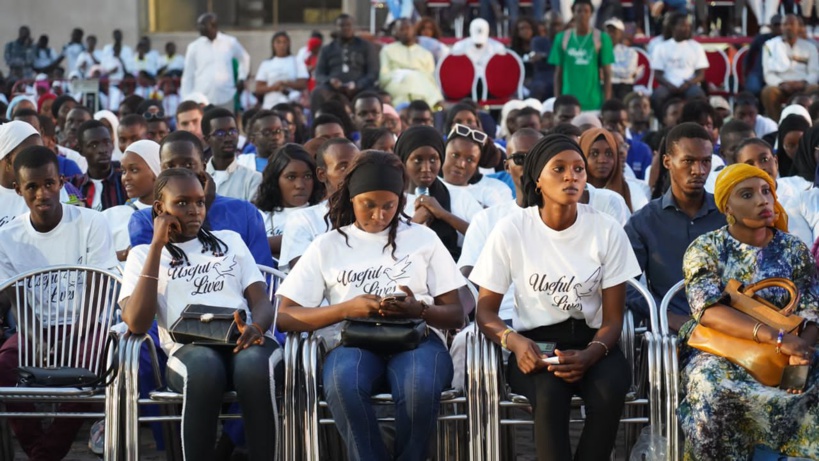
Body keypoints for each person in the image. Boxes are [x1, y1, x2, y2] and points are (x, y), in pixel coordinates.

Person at [276, 150, 465, 461]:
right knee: (344, 385)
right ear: (352, 198)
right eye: (369, 205)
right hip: (353, 340)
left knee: (419, 388)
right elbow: (284, 316)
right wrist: (346, 309)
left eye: (389, 206)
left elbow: (456, 313)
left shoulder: (422, 238)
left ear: (400, 202)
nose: (379, 215)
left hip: (416, 337)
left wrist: (418, 309)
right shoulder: (328, 244)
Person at [472, 133, 640, 461]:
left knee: (610, 390)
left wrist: (591, 354)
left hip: (595, 342)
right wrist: (515, 342)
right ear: (538, 179)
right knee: (549, 393)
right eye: (559, 169)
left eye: (579, 169)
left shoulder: (606, 230)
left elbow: (614, 318)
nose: (571, 176)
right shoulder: (512, 230)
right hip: (539, 344)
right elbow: (485, 311)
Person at [120, 168, 280, 460]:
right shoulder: (143, 255)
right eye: (182, 203)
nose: (194, 210)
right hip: (188, 349)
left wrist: (257, 326)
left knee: (254, 367)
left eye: (199, 202)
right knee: (205, 369)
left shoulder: (229, 240)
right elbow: (137, 322)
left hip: (243, 339)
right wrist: (157, 246)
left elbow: (261, 300)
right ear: (160, 209)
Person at [677, 163, 819, 460]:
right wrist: (777, 338)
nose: (762, 200)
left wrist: (801, 350)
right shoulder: (707, 248)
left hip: (790, 348)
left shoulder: (793, 249)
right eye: (747, 194)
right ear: (727, 205)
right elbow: (708, 310)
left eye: (766, 191)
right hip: (721, 351)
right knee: (710, 386)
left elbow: (812, 307)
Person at [0, 145, 118, 461]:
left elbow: (98, 286)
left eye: (49, 183)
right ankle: (38, 447)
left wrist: (77, 332)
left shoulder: (91, 222)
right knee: (5, 364)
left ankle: (45, 455)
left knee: (88, 362)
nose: (42, 193)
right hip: (35, 329)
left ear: (62, 181)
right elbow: (17, 296)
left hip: (86, 325)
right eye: (32, 187)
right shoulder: (7, 237)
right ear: (17, 189)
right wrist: (37, 337)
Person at [625, 122, 725, 329]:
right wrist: (665, 314)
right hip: (671, 330)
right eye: (688, 161)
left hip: (729, 324)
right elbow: (626, 284)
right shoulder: (644, 221)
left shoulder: (727, 215)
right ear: (667, 161)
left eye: (706, 161)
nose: (699, 170)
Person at [396, 125, 483, 260]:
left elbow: (484, 237)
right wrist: (415, 222)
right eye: (418, 159)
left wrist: (443, 214)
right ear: (403, 160)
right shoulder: (391, 201)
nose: (426, 168)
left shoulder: (459, 196)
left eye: (433, 160)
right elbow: (386, 248)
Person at [280, 138, 360, 270]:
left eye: (357, 166)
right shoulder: (302, 219)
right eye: (343, 167)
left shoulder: (376, 215)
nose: (352, 173)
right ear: (322, 174)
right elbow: (303, 273)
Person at [255, 144, 323, 259]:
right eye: (291, 177)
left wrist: (269, 245)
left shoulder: (324, 213)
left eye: (307, 176)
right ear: (275, 180)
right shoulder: (259, 216)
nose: (300, 185)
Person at [549, 0, 614, 112]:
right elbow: (558, 72)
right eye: (579, 11)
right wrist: (557, 100)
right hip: (568, 101)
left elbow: (607, 73)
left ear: (591, 13)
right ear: (573, 12)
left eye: (586, 11)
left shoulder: (602, 38)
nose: (582, 14)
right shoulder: (561, 38)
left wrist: (606, 101)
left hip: (594, 101)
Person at [102, 140, 160, 261]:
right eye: (123, 171)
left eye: (134, 170)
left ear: (156, 170)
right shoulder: (111, 216)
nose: (126, 178)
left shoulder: (176, 213)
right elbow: (94, 258)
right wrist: (125, 254)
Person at [310, 14, 380, 113]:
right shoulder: (327, 49)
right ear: (335, 28)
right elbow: (319, 74)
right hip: (333, 89)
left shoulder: (366, 46)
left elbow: (373, 73)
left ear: (354, 27)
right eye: (342, 26)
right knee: (317, 93)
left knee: (374, 95)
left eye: (349, 25)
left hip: (360, 87)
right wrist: (330, 81)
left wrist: (358, 85)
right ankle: (318, 125)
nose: (346, 28)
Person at [180, 13, 250, 110]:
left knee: (226, 123)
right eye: (199, 25)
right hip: (202, 98)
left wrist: (242, 77)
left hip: (226, 96)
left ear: (214, 26)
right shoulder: (194, 47)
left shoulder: (230, 42)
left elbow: (244, 57)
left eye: (203, 25)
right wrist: (186, 99)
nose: (199, 28)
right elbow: (188, 75)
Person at [762, 14, 819, 121]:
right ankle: (777, 124)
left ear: (798, 27)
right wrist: (782, 83)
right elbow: (768, 73)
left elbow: (814, 72)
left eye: (792, 24)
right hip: (781, 86)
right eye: (785, 24)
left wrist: (803, 82)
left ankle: (811, 123)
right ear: (781, 27)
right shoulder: (770, 46)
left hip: (803, 85)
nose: (788, 27)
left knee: (814, 89)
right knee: (768, 92)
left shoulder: (810, 47)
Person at [649, 12, 708, 115]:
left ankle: (695, 125)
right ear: (673, 27)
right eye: (682, 26)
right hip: (667, 85)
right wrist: (669, 85)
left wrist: (688, 84)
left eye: (688, 26)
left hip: (690, 84)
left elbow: (701, 74)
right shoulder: (661, 47)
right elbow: (657, 74)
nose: (686, 29)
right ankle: (664, 123)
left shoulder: (696, 47)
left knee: (698, 96)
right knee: (657, 97)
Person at [442, 124, 513, 208]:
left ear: (478, 162)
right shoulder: (428, 186)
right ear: (444, 151)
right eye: (455, 155)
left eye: (470, 160)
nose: (461, 164)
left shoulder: (497, 190)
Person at [201, 108, 262, 202]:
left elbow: (252, 215)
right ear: (207, 140)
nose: (228, 138)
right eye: (220, 133)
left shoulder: (252, 179)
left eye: (232, 132)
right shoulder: (199, 178)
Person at [379, 18, 442, 107]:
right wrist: (398, 73)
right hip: (398, 84)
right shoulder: (387, 50)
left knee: (436, 99)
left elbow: (431, 78)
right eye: (401, 29)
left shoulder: (426, 53)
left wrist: (414, 74)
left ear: (413, 30)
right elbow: (383, 78)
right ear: (396, 33)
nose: (405, 32)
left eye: (408, 28)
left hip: (422, 86)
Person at [579, 128, 645, 212]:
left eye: (609, 153)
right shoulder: (574, 192)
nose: (602, 160)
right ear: (582, 156)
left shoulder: (632, 190)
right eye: (594, 154)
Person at [69, 119, 128, 210]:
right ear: (81, 150)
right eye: (94, 145)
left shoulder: (125, 181)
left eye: (107, 142)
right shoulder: (73, 185)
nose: (103, 150)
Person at [600, 99, 653, 180]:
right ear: (602, 121)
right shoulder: (597, 151)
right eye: (612, 123)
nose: (618, 127)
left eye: (622, 122)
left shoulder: (642, 150)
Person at [255, 32, 309, 110]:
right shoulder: (266, 63)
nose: (282, 45)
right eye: (278, 42)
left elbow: (303, 84)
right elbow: (258, 88)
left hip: (291, 105)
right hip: (270, 105)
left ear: (289, 44)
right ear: (273, 44)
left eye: (284, 42)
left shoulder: (297, 61)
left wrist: (286, 83)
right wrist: (274, 87)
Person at [744, 14, 783, 96]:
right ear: (770, 26)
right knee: (753, 88)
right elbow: (749, 56)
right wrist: (745, 74)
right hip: (759, 72)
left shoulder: (788, 40)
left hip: (777, 72)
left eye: (781, 24)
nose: (779, 27)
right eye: (776, 25)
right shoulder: (761, 38)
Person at [604, 18, 638, 101]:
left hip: (624, 85)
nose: (610, 34)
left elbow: (628, 72)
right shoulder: (598, 52)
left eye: (614, 32)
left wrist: (606, 70)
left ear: (621, 34)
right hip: (604, 84)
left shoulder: (630, 52)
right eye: (608, 31)